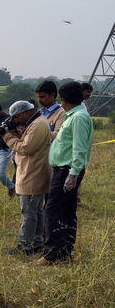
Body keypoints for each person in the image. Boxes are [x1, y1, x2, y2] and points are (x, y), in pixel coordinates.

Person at [37, 81, 94, 265]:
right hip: (65, 169)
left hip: (66, 170)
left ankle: (51, 254)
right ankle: (65, 251)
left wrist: (73, 173)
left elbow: (79, 147)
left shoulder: (78, 117)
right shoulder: (75, 115)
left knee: (52, 211)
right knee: (67, 212)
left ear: (64, 99)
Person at [2, 101, 52, 255]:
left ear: (26, 112)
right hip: (36, 172)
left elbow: (26, 148)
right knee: (37, 211)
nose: (16, 120)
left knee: (28, 212)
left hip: (32, 174)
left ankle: (25, 247)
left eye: (17, 117)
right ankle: (37, 243)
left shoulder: (37, 124)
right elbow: (28, 142)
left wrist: (8, 137)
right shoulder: (38, 121)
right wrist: (19, 134)